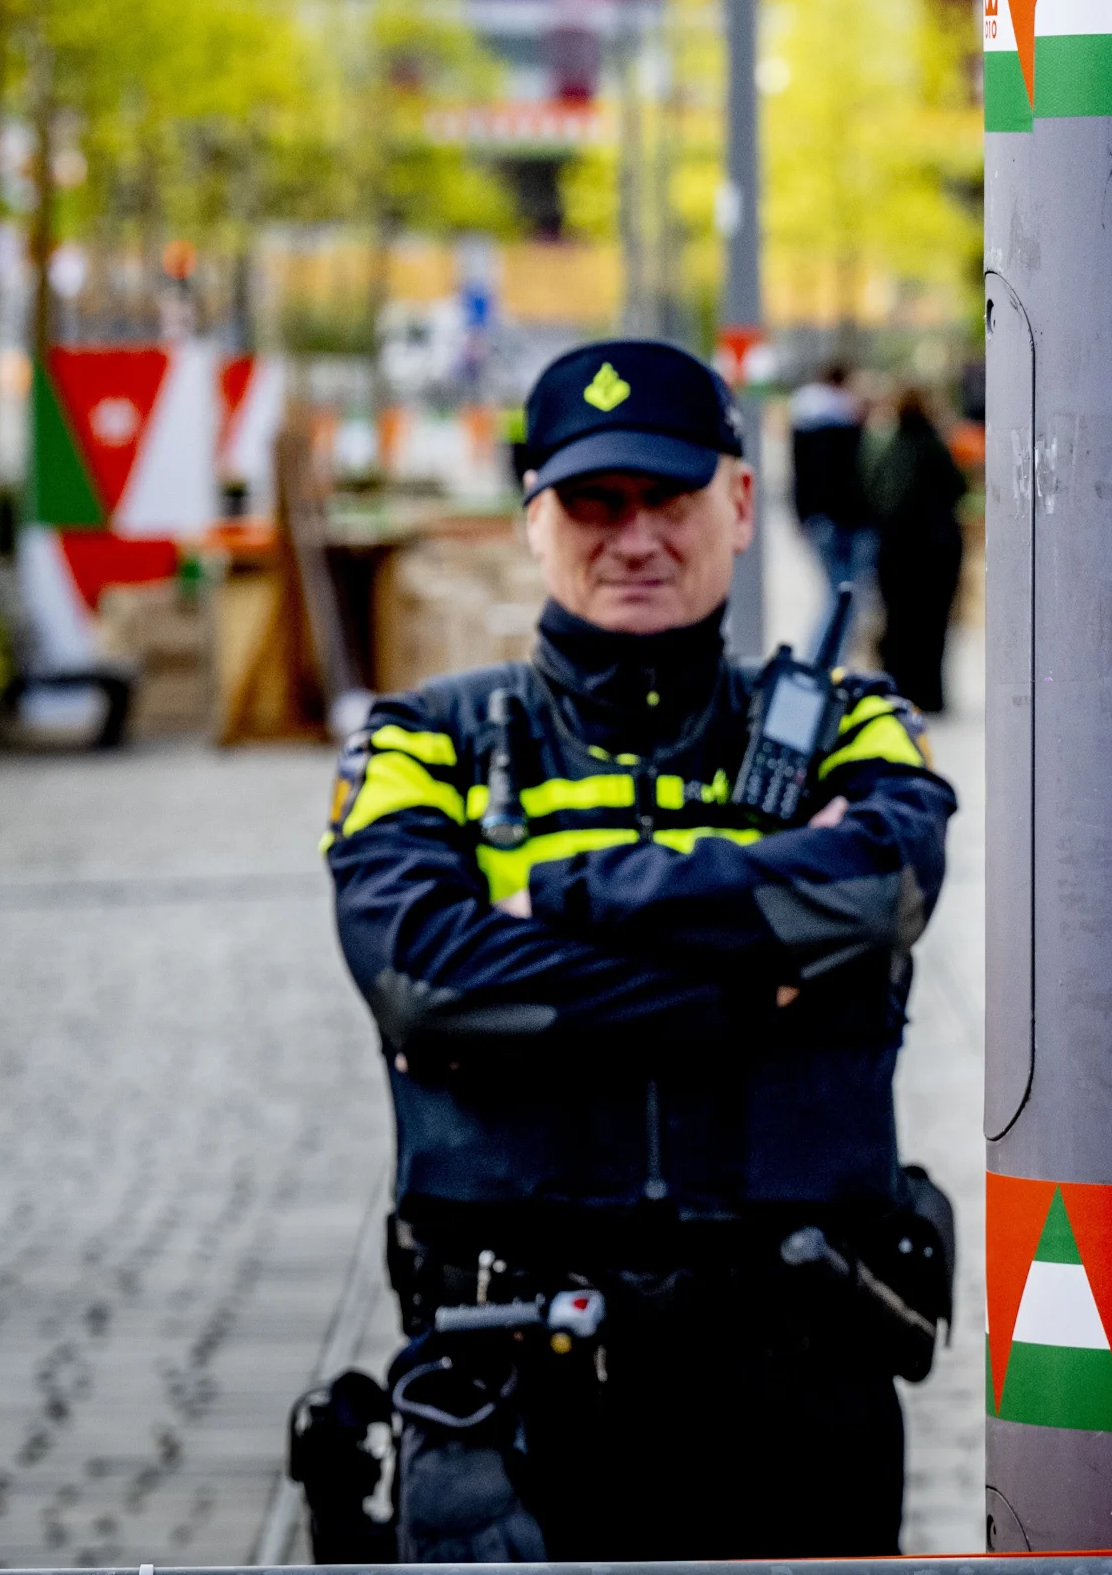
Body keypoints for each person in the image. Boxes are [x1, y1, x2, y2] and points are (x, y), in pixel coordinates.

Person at [322, 338, 955, 1562]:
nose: (637, 537)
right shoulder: (424, 742)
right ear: (533, 517)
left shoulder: (852, 725)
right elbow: (423, 980)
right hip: (510, 1389)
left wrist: (571, 896)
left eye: (669, 496)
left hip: (799, 1380)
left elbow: (881, 892)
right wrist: (758, 985)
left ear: (742, 502)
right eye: (594, 502)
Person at [867, 388, 968, 714]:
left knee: (899, 623)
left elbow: (874, 490)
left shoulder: (889, 447)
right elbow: (957, 487)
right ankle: (931, 694)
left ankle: (899, 689)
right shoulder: (935, 445)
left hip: (897, 549)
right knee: (933, 627)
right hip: (937, 550)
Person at [789, 361, 878, 604]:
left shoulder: (805, 423)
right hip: (849, 519)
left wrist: (801, 514)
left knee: (837, 592)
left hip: (819, 517)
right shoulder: (850, 428)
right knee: (845, 595)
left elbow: (798, 474)